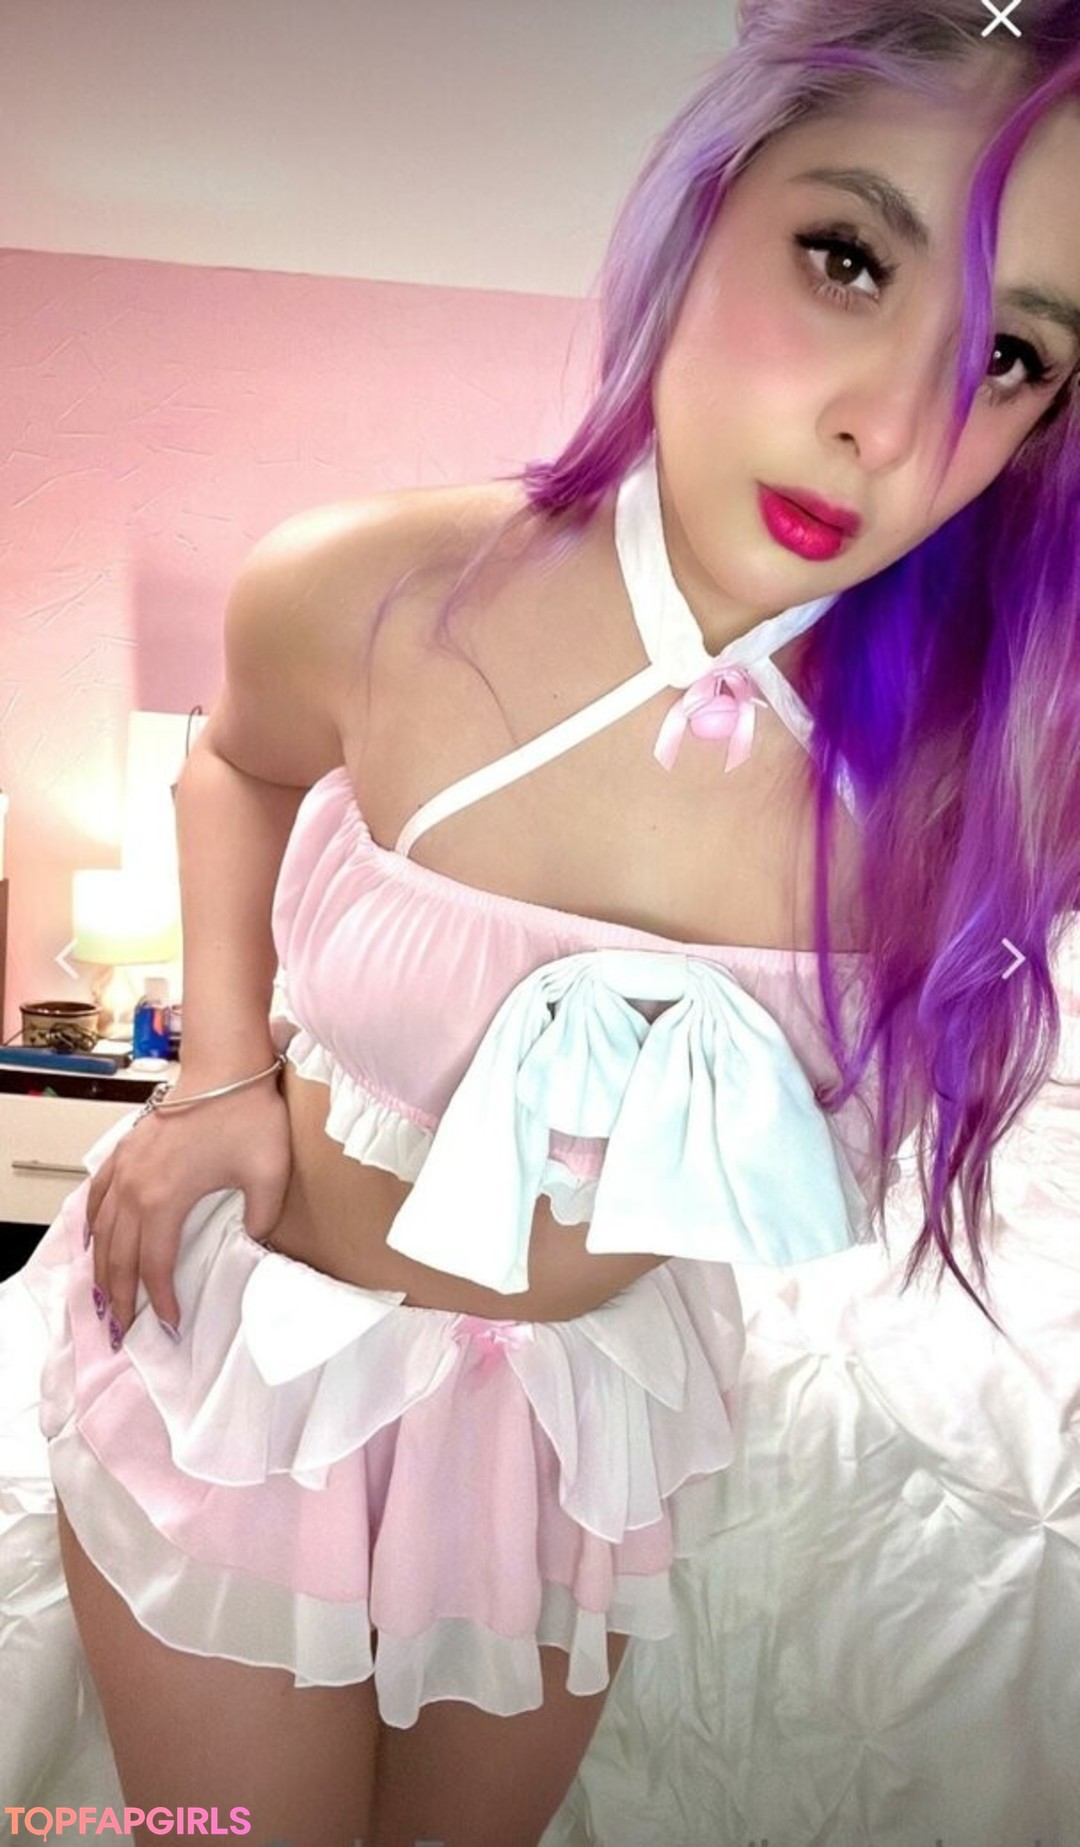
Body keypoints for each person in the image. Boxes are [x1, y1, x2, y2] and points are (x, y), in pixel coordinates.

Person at [17, 1, 1080, 1843]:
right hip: (264, 1371)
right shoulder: (376, 590)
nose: (892, 425)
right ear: (705, 208)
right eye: (849, 258)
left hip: (576, 1434)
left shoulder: (996, 773)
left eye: (1007, 353)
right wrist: (216, 1078)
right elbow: (232, 767)